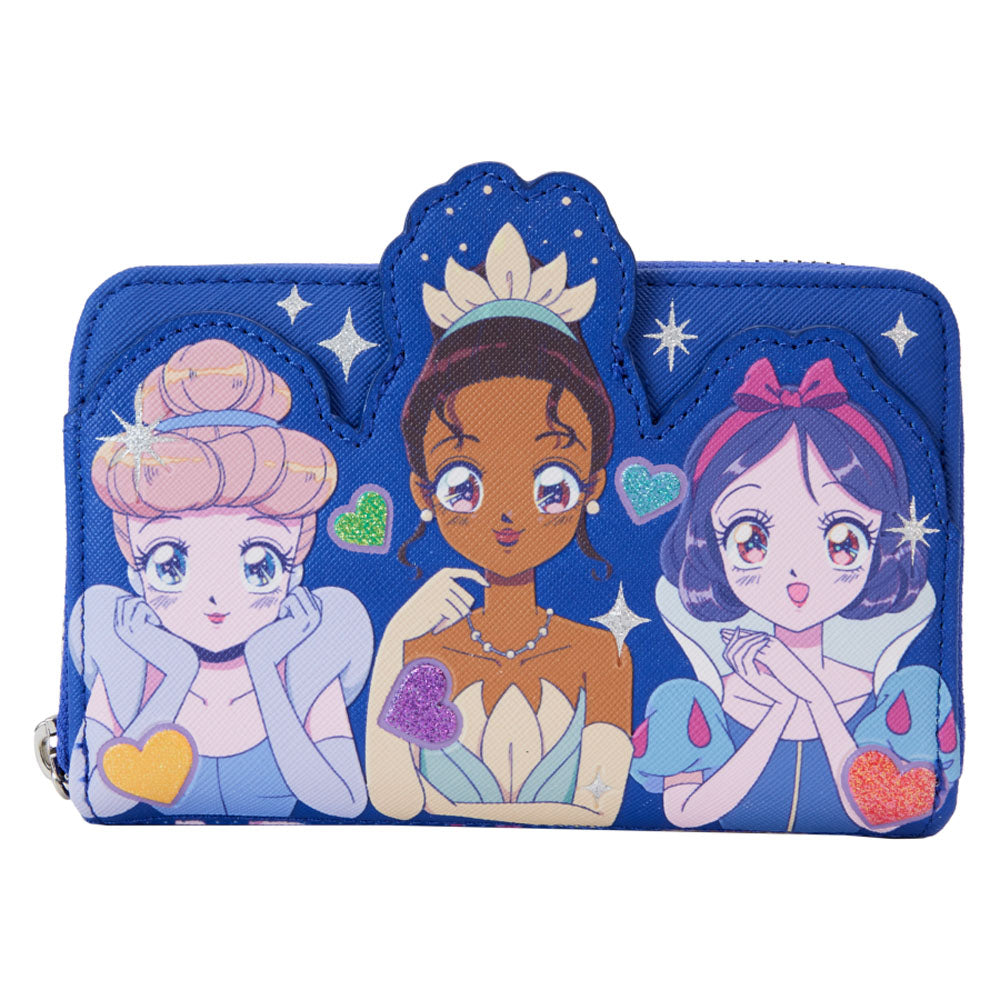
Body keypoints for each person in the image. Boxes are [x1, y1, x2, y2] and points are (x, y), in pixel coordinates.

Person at [366, 223, 633, 825]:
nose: (509, 515)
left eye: (550, 485)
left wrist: (444, 809)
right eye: (464, 485)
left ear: (591, 487)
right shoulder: (419, 651)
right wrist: (393, 640)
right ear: (423, 491)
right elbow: (391, 800)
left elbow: (600, 810)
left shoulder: (602, 653)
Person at [630, 357, 960, 833]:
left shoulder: (901, 696)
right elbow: (684, 814)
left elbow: (883, 814)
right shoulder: (693, 702)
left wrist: (815, 697)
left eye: (843, 541)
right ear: (709, 543)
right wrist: (782, 706)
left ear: (882, 542)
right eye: (751, 539)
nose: (797, 574)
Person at [69, 339, 372, 819]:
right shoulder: (136, 659)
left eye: (259, 565)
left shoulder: (299, 661)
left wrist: (264, 665)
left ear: (294, 570)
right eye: (171, 564)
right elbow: (103, 801)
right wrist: (177, 672)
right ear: (135, 574)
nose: (215, 598)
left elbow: (347, 801)